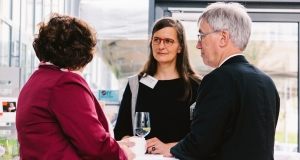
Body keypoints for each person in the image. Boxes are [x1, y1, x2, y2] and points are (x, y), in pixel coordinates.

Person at [164, 2, 280, 160]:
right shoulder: (267, 82)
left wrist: (172, 150)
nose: (198, 45)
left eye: (201, 36)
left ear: (223, 38)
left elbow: (201, 144)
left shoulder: (218, 80)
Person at [16, 13, 135, 160]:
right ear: (82, 53)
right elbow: (94, 145)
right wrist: (122, 154)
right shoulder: (65, 83)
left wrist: (114, 145)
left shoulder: (36, 80)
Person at [114, 17, 201, 154]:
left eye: (168, 41)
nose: (161, 46)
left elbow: (202, 137)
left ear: (180, 47)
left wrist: (170, 147)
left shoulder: (197, 86)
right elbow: (120, 131)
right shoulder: (135, 85)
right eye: (156, 40)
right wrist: (134, 143)